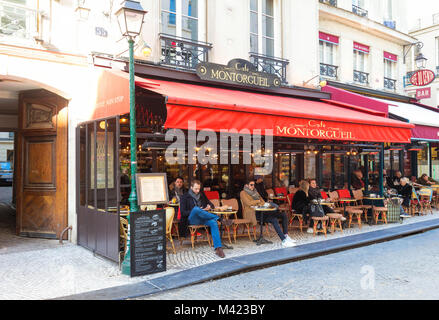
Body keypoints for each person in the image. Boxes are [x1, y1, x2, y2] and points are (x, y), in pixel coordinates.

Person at [179, 180, 232, 258]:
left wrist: (209, 206)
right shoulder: (184, 197)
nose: (197, 191)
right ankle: (220, 219)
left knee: (213, 222)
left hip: (203, 217)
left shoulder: (202, 194)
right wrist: (198, 210)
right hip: (192, 219)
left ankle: (218, 248)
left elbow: (211, 204)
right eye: (196, 189)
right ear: (191, 187)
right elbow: (183, 213)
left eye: (199, 189)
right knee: (196, 209)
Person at [240, 179, 295, 247]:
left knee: (283, 215)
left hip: (262, 211)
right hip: (253, 213)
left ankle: (286, 236)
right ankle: (283, 240)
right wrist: (257, 201)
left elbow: (262, 202)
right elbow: (248, 203)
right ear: (246, 185)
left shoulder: (255, 192)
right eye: (251, 185)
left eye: (254, 185)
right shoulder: (243, 193)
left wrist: (258, 202)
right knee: (274, 219)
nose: (253, 186)